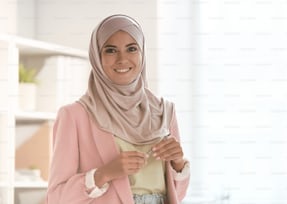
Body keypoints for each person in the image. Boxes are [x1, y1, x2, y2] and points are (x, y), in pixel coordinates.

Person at [46, 14, 190, 204]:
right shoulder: (75, 115)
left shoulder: (164, 111)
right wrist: (103, 174)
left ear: (142, 53)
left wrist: (178, 162)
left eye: (131, 49)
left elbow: (177, 195)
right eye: (111, 50)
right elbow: (56, 197)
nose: (122, 59)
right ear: (97, 57)